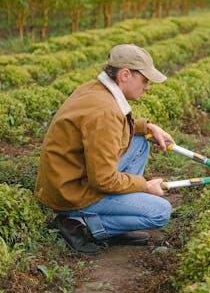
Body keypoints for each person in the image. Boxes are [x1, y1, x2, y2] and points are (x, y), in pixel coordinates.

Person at [35, 44, 174, 254]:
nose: (147, 87)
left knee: (140, 143)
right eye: (145, 80)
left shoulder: (95, 89)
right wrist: (144, 186)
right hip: (72, 192)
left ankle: (112, 219)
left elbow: (104, 130)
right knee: (160, 212)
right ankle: (79, 223)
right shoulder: (105, 111)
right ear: (125, 74)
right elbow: (103, 179)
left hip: (66, 177)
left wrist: (147, 127)